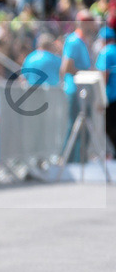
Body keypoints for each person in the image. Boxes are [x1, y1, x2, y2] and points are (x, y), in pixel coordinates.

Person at [60, 10, 95, 162]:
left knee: (83, 129)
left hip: (83, 91)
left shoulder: (83, 41)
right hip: (76, 91)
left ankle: (78, 160)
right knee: (75, 127)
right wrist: (87, 74)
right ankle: (68, 162)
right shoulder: (74, 41)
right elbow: (66, 67)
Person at [96, 27, 116, 154]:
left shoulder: (105, 52)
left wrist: (100, 98)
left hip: (111, 96)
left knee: (109, 126)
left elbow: (104, 75)